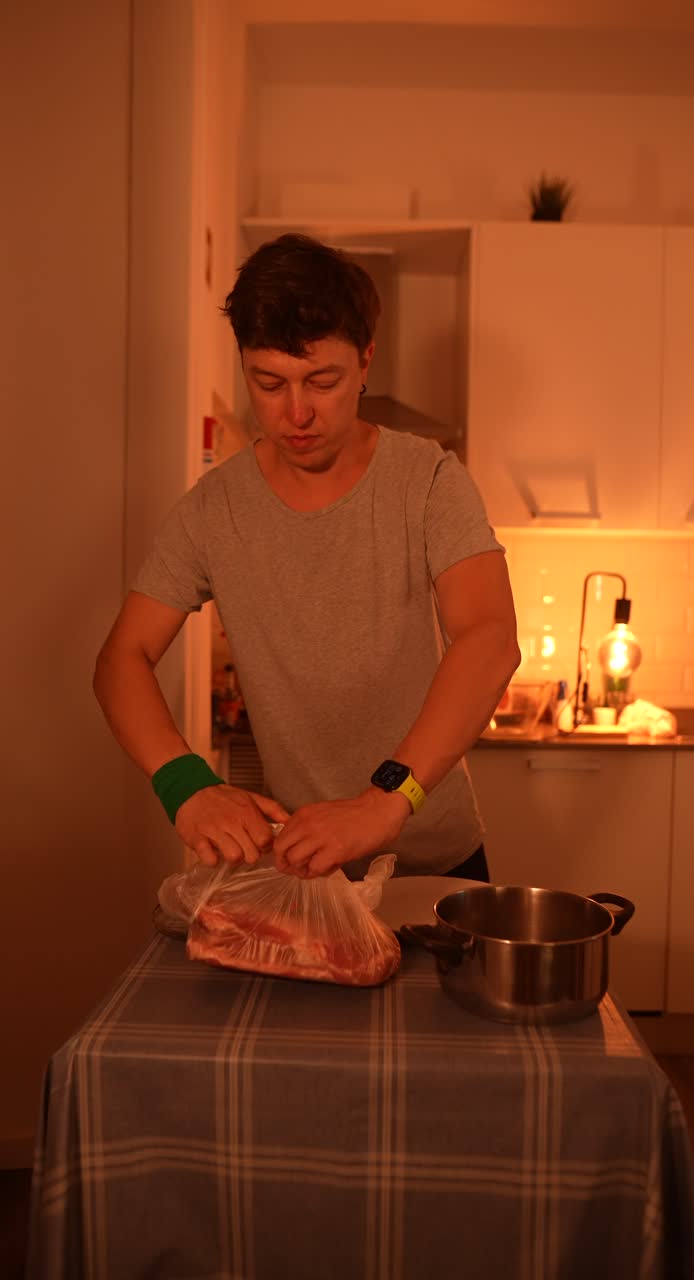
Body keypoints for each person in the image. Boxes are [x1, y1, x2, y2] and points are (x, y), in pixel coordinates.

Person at [93, 234, 520, 882]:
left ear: (366, 360)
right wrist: (184, 785)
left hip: (435, 860)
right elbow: (121, 658)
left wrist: (388, 797)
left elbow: (489, 638)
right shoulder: (214, 510)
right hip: (304, 868)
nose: (296, 413)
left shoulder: (429, 480)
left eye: (322, 381)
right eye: (269, 383)